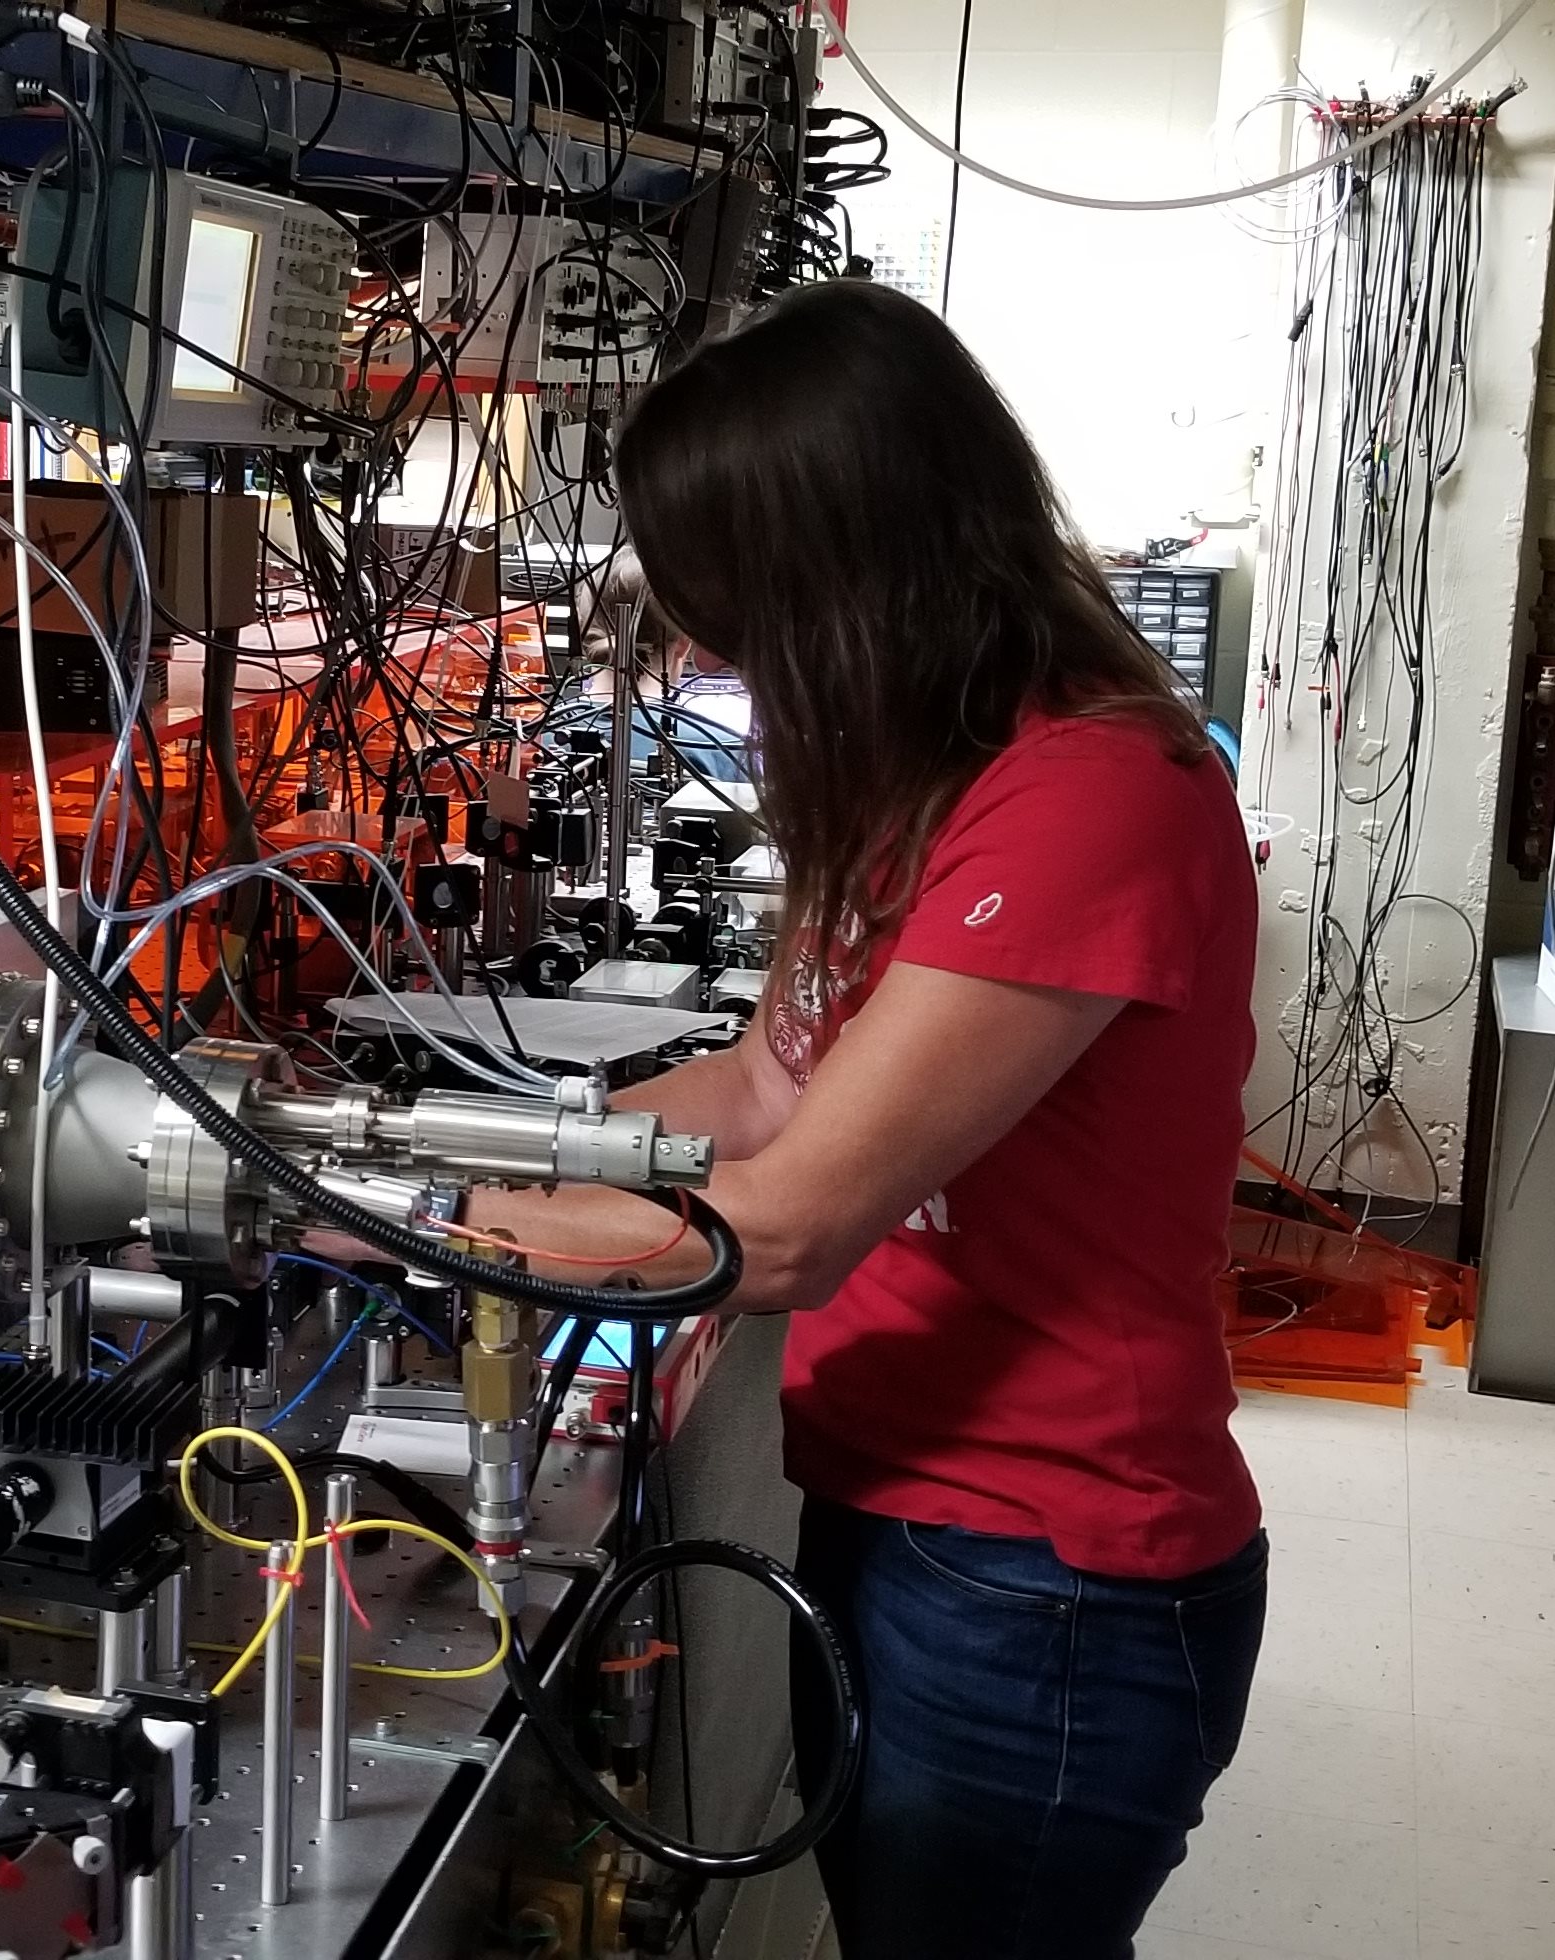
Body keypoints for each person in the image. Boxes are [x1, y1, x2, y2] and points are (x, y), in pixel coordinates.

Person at [471, 278, 1266, 1960]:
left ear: (845, 571)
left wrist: (413, 1230)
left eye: (727, 608)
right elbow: (766, 1086)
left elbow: (789, 1220)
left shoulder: (1097, 793)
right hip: (906, 1516)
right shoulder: (911, 776)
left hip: (1051, 1580)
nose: (700, 655)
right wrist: (485, 1142)